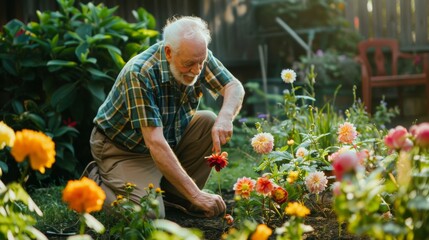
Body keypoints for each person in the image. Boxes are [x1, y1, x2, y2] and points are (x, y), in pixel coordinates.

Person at [85, 15, 245, 218]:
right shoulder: (140, 73)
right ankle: (92, 187)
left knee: (209, 121)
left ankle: (177, 197)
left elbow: (234, 86)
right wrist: (197, 195)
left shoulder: (195, 55)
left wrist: (225, 117)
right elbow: (155, 142)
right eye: (189, 64)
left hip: (167, 136)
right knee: (147, 214)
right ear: (169, 52)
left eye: (201, 62)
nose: (197, 70)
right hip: (125, 149)